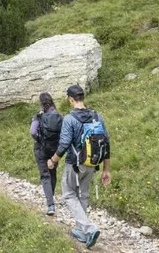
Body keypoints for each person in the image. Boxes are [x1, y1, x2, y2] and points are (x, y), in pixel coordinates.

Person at [47, 84, 111, 248]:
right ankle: (81, 230)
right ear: (82, 98)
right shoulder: (97, 116)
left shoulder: (70, 119)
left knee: (68, 194)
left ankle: (89, 228)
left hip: (74, 164)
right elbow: (107, 143)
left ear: (70, 99)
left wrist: (53, 161)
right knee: (82, 195)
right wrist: (106, 170)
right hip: (92, 163)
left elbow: (64, 144)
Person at [29, 92, 63, 216]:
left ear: (41, 103)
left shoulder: (38, 116)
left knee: (45, 175)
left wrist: (39, 138)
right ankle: (51, 196)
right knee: (52, 172)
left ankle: (50, 205)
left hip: (41, 149)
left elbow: (33, 132)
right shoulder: (59, 116)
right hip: (55, 150)